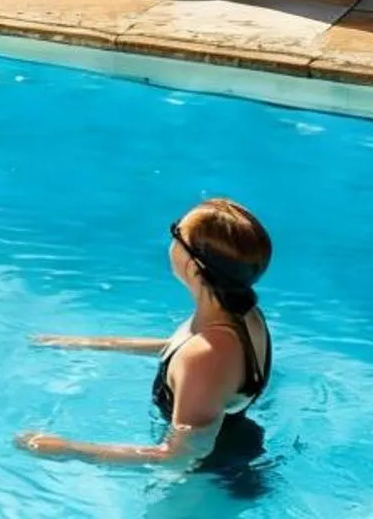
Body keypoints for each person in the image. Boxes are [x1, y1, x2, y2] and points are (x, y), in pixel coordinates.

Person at [16, 199, 273, 469]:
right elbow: (179, 348)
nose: (171, 240)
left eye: (176, 233)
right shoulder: (242, 313)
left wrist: (66, 449)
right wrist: (90, 344)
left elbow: (180, 455)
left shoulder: (206, 356)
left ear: (195, 267)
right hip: (240, 446)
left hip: (210, 481)